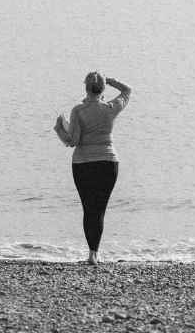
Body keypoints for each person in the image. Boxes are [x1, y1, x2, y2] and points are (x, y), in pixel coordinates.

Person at [54, 71, 132, 264]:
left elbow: (73, 141)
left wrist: (59, 128)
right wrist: (113, 81)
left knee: (89, 209)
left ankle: (92, 254)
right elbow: (127, 91)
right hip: (108, 161)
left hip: (83, 163)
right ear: (102, 88)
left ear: (86, 88)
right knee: (100, 209)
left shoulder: (78, 110)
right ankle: (95, 254)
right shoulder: (110, 108)